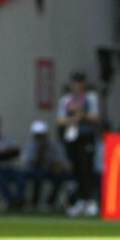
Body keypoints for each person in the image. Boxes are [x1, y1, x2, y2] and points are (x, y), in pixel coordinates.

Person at [57, 71, 100, 217]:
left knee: (87, 168)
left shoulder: (90, 98)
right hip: (72, 137)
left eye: (80, 82)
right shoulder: (66, 100)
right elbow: (60, 120)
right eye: (76, 82)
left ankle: (90, 201)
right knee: (76, 169)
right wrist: (73, 119)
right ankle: (80, 200)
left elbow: (95, 117)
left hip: (86, 137)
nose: (78, 85)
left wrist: (82, 114)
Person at [22, 120, 71, 212]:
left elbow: (62, 162)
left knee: (59, 177)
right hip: (34, 171)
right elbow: (32, 163)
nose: (40, 138)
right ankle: (34, 203)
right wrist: (40, 151)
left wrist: (57, 166)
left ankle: (50, 203)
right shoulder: (30, 146)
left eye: (42, 135)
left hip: (50, 170)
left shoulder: (54, 146)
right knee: (38, 176)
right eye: (38, 136)